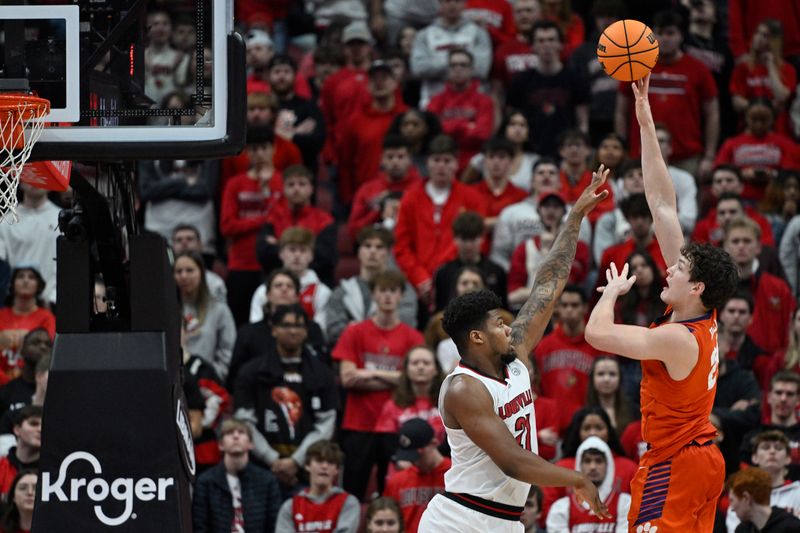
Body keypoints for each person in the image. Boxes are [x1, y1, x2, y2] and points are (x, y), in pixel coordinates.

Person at [417, 166, 611, 532]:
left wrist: (575, 218)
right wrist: (577, 478)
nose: (508, 327)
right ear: (477, 338)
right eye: (497, 324)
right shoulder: (463, 389)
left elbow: (548, 285)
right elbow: (512, 461)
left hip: (505, 521)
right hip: (459, 521)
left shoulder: (515, 355)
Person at [585, 75, 740, 531]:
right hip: (702, 461)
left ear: (696, 287)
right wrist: (644, 115)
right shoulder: (698, 312)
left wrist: (611, 294)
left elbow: (597, 335)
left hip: (675, 464)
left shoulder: (677, 337)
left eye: (679, 269)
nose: (669, 268)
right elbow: (662, 204)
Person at [333, 270, 425, 500]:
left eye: (393, 291)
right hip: (358, 423)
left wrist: (368, 372)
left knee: (393, 492)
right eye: (382, 290)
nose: (387, 296)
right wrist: (395, 378)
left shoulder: (413, 337)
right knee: (352, 491)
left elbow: (415, 379)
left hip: (395, 425)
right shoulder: (354, 332)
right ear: (373, 294)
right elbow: (348, 378)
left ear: (401, 295)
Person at [233, 305, 338, 489]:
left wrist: (295, 461)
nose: (292, 331)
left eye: (298, 326)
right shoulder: (251, 372)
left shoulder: (323, 374)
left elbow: (326, 425)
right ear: (273, 330)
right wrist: (272, 459)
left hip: (306, 471)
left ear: (306, 332)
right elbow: (244, 421)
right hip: (259, 468)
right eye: (286, 325)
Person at [614, 10, 719, 178]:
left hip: (686, 155)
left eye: (670, 33)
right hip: (641, 153)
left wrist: (709, 155)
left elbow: (712, 114)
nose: (664, 39)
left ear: (681, 36)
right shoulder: (635, 67)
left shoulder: (698, 69)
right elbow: (621, 111)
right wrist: (622, 146)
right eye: (660, 33)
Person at [393, 134, 486, 306]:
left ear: (456, 164)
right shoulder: (411, 198)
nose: (441, 166)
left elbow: (479, 238)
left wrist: (446, 274)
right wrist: (420, 278)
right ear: (427, 163)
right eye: (436, 160)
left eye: (447, 160)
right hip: (419, 284)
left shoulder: (472, 198)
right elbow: (401, 245)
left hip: (458, 278)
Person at [507, 20, 589, 158]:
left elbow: (583, 122)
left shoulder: (576, 79)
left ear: (560, 44)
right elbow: (511, 122)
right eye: (541, 40)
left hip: (566, 153)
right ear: (532, 46)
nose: (546, 45)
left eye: (551, 40)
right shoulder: (520, 82)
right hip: (529, 153)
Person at [325, 227, 418, 346]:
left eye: (379, 247)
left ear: (389, 253)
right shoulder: (342, 291)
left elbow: (406, 325)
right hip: (350, 354)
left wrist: (356, 330)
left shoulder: (403, 289)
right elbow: (333, 331)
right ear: (359, 252)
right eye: (367, 246)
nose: (373, 251)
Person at [336, 60, 409, 207]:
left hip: (404, 193)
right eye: (374, 78)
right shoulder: (355, 119)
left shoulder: (408, 117)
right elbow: (346, 161)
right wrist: (349, 197)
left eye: (384, 78)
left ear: (395, 83)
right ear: (367, 85)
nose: (379, 82)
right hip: (366, 193)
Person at [191, 419, 281, 533]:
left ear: (251, 444)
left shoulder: (267, 481)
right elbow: (200, 525)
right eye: (229, 433)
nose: (236, 436)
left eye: (241, 432)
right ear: (220, 445)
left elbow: (274, 525)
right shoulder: (205, 481)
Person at [723, 216, 796, 354]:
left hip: (769, 366)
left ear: (758, 247)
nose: (741, 246)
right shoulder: (715, 288)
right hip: (724, 366)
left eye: (747, 241)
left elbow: (790, 330)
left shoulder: (778, 288)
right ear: (726, 247)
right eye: (735, 241)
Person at [534, 285, 601, 430]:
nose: (569, 310)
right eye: (564, 305)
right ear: (558, 308)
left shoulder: (598, 344)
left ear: (585, 308)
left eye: (575, 305)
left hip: (587, 427)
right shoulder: (544, 346)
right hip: (551, 427)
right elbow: (536, 388)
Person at [507, 193, 591, 310]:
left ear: (564, 212)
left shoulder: (578, 247)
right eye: (546, 206)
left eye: (556, 207)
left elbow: (571, 287)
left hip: (564, 310)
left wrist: (551, 253)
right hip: (529, 311)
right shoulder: (524, 248)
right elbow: (513, 295)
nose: (551, 211)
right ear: (538, 211)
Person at [410, 0, 492, 107]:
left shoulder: (478, 33)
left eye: (457, 1)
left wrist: (437, 65)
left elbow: (481, 69)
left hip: (471, 104)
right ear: (439, 4)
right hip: (433, 100)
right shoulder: (424, 35)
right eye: (447, 1)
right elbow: (419, 69)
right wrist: (461, 65)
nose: (452, 5)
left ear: (464, 4)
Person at [546, 436, 632, 533]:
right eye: (587, 461)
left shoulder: (626, 503)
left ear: (609, 465)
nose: (593, 467)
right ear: (579, 465)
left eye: (598, 461)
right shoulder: (561, 507)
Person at [427, 49, 494, 171]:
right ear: (448, 70)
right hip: (442, 163)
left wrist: (447, 127)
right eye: (453, 65)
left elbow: (482, 135)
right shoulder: (436, 101)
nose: (458, 69)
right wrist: (465, 126)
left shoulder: (484, 101)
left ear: (471, 69)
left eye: (463, 65)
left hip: (474, 166)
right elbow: (432, 133)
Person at [248, 227, 331, 326]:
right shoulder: (263, 291)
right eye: (292, 249)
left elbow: (320, 331)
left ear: (311, 256)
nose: (297, 255)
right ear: (281, 254)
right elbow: (255, 328)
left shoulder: (322, 292)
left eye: (303, 250)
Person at [174, 251, 236, 383]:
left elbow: (228, 350)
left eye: (190, 270)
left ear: (202, 273)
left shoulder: (219, 310)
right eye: (178, 271)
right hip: (176, 382)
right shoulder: (168, 311)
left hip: (208, 380)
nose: (184, 276)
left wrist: (215, 375)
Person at [275, 440, 360, 533]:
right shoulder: (290, 506)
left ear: (337, 470)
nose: (324, 466)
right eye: (319, 461)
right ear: (307, 465)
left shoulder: (348, 503)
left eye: (330, 462)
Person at [347, 135, 423, 241]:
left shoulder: (422, 189)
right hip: (376, 250)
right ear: (381, 159)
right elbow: (353, 232)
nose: (395, 161)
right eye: (390, 157)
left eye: (400, 156)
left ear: (410, 159)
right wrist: (379, 211)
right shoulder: (367, 190)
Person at [384, 418, 450, 533]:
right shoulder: (397, 481)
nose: (415, 462)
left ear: (434, 443)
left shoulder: (455, 475)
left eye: (418, 456)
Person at [727, 430, 800, 532]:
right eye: (765, 447)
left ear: (788, 458)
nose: (772, 451)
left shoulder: (798, 492)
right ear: (754, 457)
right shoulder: (739, 494)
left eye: (778, 448)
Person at [433, 211, 507, 312]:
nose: (468, 245)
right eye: (464, 239)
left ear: (482, 238)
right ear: (455, 239)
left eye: (472, 239)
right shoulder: (443, 273)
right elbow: (440, 312)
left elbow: (503, 310)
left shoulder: (497, 272)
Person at [0, 183, 59, 307]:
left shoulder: (62, 220)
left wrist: (53, 298)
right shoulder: (5, 222)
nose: (35, 180)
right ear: (20, 180)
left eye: (41, 175)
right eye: (31, 173)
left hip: (54, 303)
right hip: (17, 305)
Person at [375, 346, 446, 444]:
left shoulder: (448, 403)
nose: (420, 367)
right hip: (404, 457)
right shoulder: (392, 405)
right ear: (406, 370)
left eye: (426, 363)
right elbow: (386, 444)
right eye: (415, 363)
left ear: (436, 370)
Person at [739, 371, 800, 481]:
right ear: (769, 397)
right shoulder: (752, 437)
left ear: (798, 400)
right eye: (778, 392)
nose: (783, 399)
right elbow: (745, 477)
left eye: (790, 394)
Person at [0, 268, 54, 383]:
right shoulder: (1, 315)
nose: (26, 280)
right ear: (12, 283)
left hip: (32, 382)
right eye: (20, 276)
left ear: (38, 285)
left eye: (31, 277)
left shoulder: (47, 318)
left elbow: (48, 353)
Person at [464, 111, 540, 192]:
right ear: (504, 129)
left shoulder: (534, 161)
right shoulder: (485, 157)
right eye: (512, 124)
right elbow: (464, 185)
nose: (518, 129)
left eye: (522, 125)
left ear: (528, 132)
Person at [727, 468, 800, 533]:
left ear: (746, 498)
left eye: (732, 500)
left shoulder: (792, 528)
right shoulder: (742, 530)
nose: (732, 508)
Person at [171, 224, 226, 302]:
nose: (184, 243)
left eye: (189, 239)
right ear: (172, 247)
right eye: (179, 240)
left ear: (200, 245)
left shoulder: (215, 283)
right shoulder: (165, 281)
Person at [586, 356, 635, 435]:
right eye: (600, 374)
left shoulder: (634, 412)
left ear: (620, 378)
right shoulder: (583, 414)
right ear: (592, 379)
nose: (606, 379)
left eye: (612, 374)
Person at [0, 406, 41, 498]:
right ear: (17, 430)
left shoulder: (55, 470)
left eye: (45, 426)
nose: (40, 429)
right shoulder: (1, 467)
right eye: (34, 424)